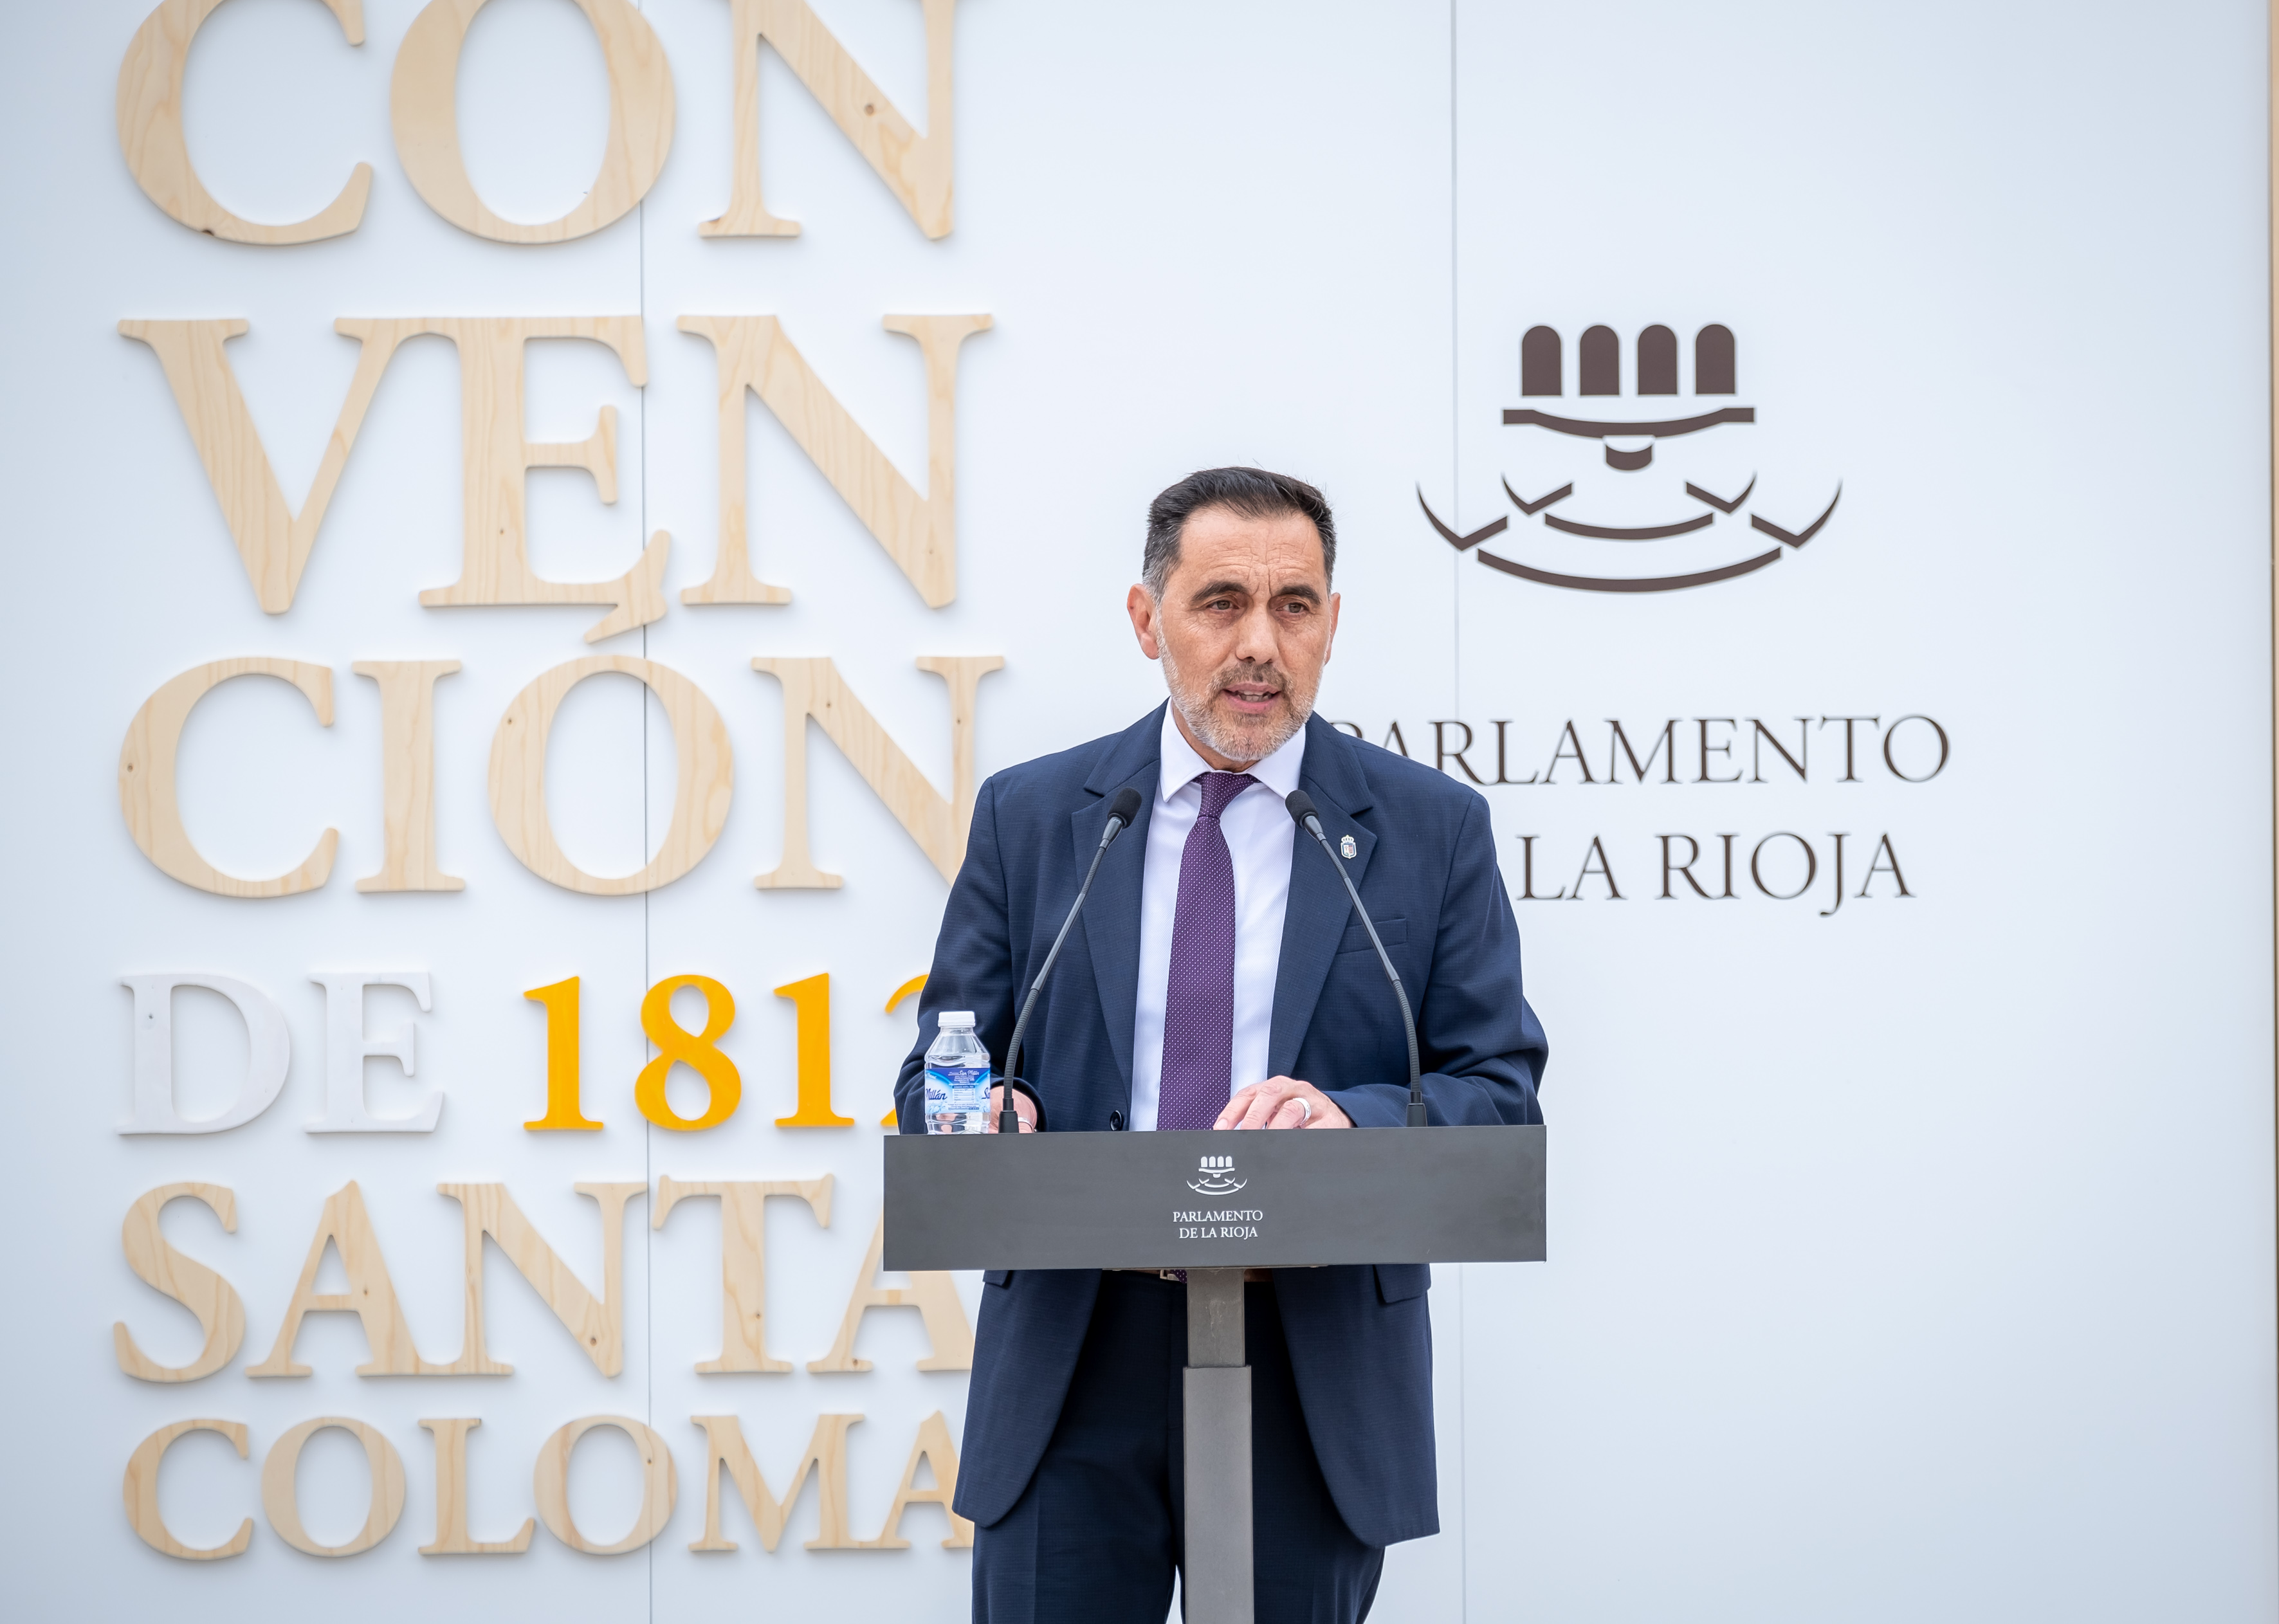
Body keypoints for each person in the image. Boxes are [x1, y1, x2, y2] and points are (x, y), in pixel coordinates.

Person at [894, 467, 1548, 1624]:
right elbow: (940, 1069)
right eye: (1221, 603)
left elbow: (1497, 1091)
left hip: (1314, 1360)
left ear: (1332, 624)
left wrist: (1351, 1118)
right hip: (1075, 1350)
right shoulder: (1035, 816)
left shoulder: (1431, 829)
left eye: (1294, 605)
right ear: (1147, 619)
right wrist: (988, 1112)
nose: (1259, 643)